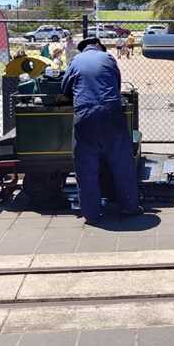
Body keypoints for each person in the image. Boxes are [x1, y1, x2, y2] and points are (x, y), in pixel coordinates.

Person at [61, 36, 141, 224]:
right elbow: (117, 84)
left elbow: (65, 88)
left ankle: (92, 214)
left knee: (86, 167)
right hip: (111, 113)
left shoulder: (76, 61)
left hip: (85, 116)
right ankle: (129, 206)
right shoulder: (108, 58)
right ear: (98, 46)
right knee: (122, 163)